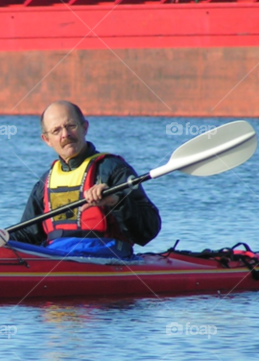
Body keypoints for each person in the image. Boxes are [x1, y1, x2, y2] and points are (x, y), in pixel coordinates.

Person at [9, 101, 161, 257]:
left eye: (71, 126)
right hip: (56, 257)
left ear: (84, 127)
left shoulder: (114, 169)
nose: (65, 134)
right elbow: (27, 235)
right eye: (56, 130)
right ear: (47, 140)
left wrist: (116, 201)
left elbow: (148, 231)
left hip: (107, 259)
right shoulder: (45, 182)